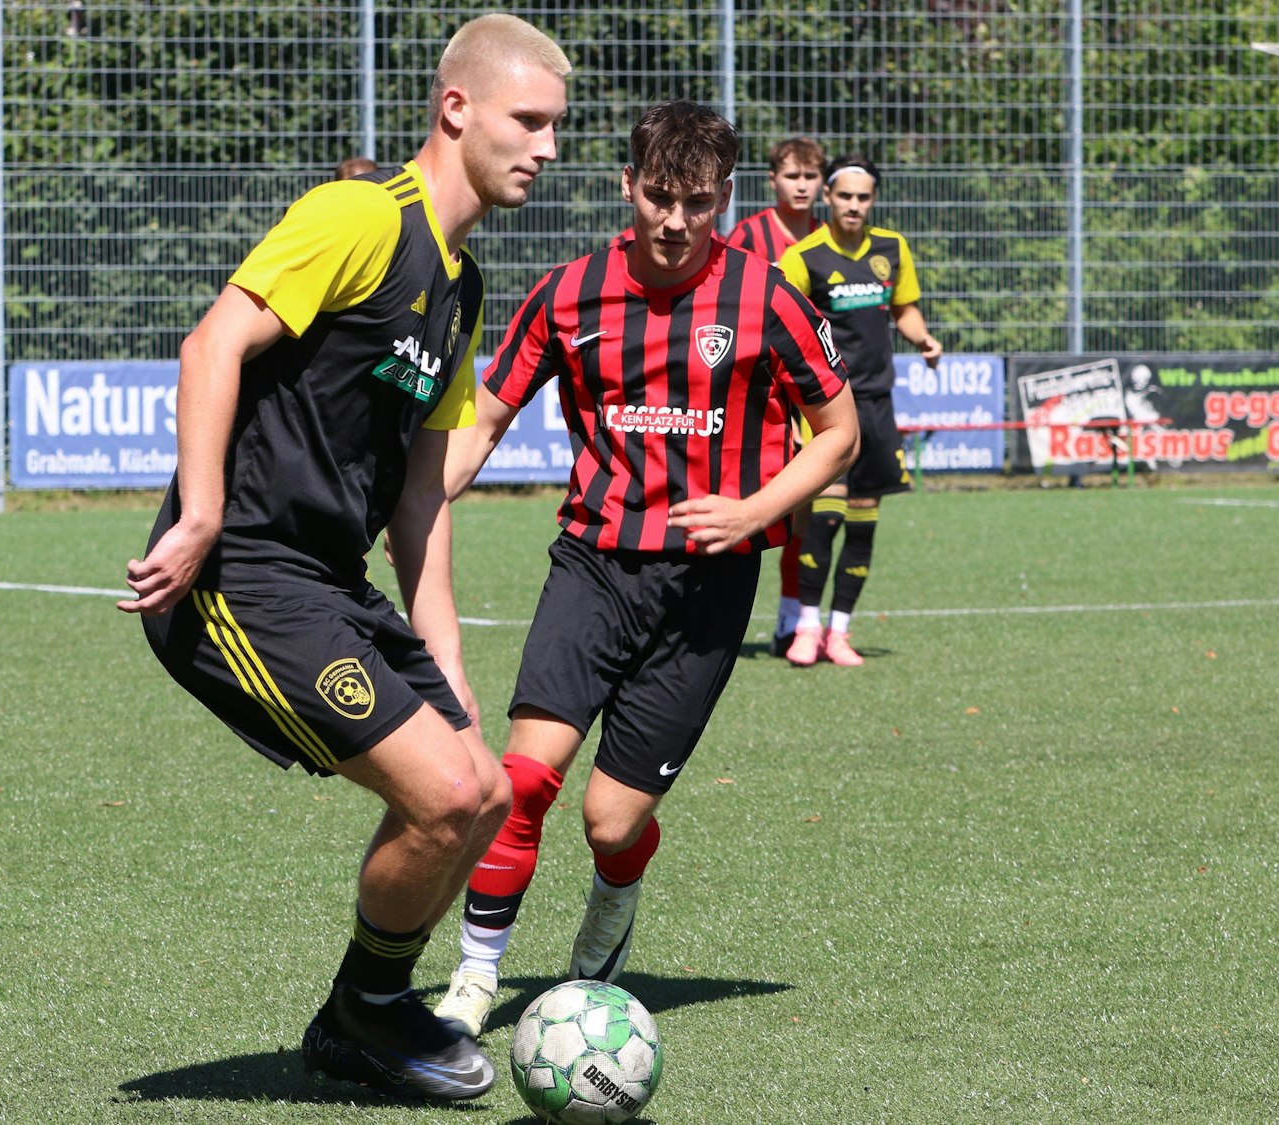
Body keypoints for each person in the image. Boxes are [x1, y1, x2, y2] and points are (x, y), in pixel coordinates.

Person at [116, 14, 570, 1101]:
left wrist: (447, 656)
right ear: (455, 109)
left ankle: (365, 1009)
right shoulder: (360, 216)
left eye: (557, 127)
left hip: (328, 583)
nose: (547, 148)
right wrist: (200, 515)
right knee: (441, 799)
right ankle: (366, 1017)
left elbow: (423, 491)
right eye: (529, 121)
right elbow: (211, 342)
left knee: (486, 792)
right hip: (239, 576)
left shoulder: (459, 285)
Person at [427, 99, 859, 1038]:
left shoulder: (769, 298)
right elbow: (487, 419)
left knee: (610, 823)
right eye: (658, 197)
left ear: (725, 200)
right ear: (627, 186)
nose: (673, 221)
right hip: (593, 565)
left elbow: (840, 433)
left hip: (706, 591)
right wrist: (423, 496)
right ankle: (474, 974)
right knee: (522, 779)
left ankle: (612, 910)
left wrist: (752, 510)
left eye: (696, 203)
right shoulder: (569, 292)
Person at [776, 155, 942, 667]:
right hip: (826, 408)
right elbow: (776, 320)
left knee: (864, 524)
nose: (853, 205)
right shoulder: (804, 257)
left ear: (873, 200)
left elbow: (904, 309)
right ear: (827, 198)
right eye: (844, 196)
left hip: (876, 405)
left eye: (862, 197)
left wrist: (924, 339)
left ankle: (839, 633)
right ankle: (805, 627)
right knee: (824, 520)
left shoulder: (892, 248)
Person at [726, 135, 827, 655]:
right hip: (762, 392)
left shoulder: (831, 237)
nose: (803, 186)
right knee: (753, 509)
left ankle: (795, 619)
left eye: (811, 177)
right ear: (773, 181)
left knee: (812, 513)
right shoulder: (749, 235)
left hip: (815, 391)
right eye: (793, 176)